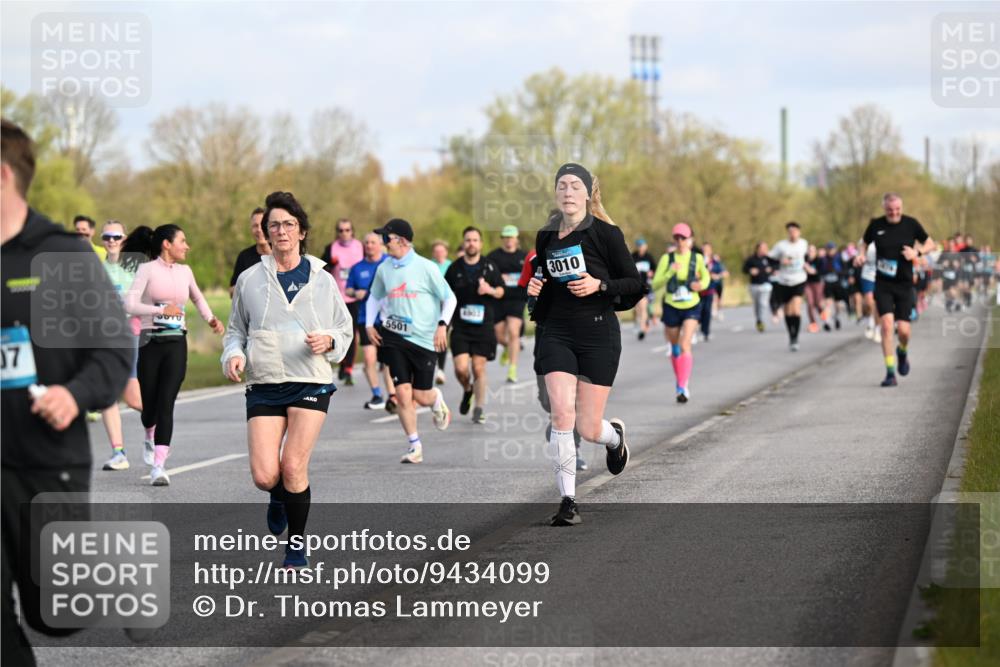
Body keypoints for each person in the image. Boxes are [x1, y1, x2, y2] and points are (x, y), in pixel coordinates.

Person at [2, 118, 132, 666]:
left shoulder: (61, 256)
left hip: (43, 463)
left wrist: (75, 396)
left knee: (56, 614)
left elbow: (114, 352)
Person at [223, 191, 353, 568]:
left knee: (294, 465)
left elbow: (344, 329)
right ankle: (277, 495)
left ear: (301, 232)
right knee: (266, 475)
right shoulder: (250, 279)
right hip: (264, 381)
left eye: (288, 224)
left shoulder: (322, 279)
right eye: (274, 225)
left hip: (310, 380)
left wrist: (329, 340)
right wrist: (233, 354)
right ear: (265, 233)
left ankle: (296, 544)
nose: (281, 231)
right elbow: (235, 331)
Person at [527, 163, 644, 526]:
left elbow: (635, 285)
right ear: (556, 193)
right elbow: (543, 285)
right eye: (561, 185)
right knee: (562, 415)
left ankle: (613, 438)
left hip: (598, 334)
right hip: (557, 332)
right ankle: (568, 501)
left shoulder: (606, 234)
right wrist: (534, 293)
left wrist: (600, 286)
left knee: (589, 427)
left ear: (588, 192)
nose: (567, 191)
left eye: (575, 185)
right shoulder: (546, 237)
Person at [124, 224, 225, 485]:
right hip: (149, 343)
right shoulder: (147, 270)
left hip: (176, 343)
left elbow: (198, 299)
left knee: (167, 403)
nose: (187, 246)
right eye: (182, 240)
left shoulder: (185, 271)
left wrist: (212, 319)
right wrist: (160, 311)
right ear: (166, 244)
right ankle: (149, 430)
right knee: (150, 408)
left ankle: (159, 466)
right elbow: (130, 304)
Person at [366, 218, 456, 464]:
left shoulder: (426, 267)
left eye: (388, 239)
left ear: (402, 241)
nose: (385, 244)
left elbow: (449, 299)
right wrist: (368, 324)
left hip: (424, 339)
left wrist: (442, 326)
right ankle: (414, 446)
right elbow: (374, 297)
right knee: (402, 394)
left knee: (421, 395)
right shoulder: (384, 269)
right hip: (394, 336)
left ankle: (435, 399)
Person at [856, 193, 934, 387]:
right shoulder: (876, 225)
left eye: (897, 209)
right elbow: (863, 243)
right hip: (883, 284)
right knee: (887, 325)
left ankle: (902, 351)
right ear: (884, 208)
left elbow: (930, 243)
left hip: (905, 285)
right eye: (890, 209)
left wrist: (917, 252)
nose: (894, 212)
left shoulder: (911, 224)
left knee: (905, 332)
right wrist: (861, 255)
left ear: (902, 207)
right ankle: (890, 372)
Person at [98, 220, 144, 470]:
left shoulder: (135, 268)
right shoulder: (97, 269)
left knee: (134, 399)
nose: (111, 241)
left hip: (131, 336)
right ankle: (119, 452)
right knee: (107, 394)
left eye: (116, 237)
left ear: (124, 239)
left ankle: (158, 432)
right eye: (107, 237)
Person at [446, 226, 504, 423]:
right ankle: (467, 389)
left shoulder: (490, 267)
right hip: (461, 327)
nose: (471, 243)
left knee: (479, 368)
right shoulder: (454, 269)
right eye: (468, 240)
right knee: (461, 369)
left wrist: (489, 290)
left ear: (481, 243)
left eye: (475, 240)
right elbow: (444, 295)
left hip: (483, 326)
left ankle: (479, 408)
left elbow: (501, 292)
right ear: (464, 243)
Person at [652, 223, 711, 402]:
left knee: (685, 344)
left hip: (692, 305)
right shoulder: (666, 259)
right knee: (675, 347)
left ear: (690, 240)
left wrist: (700, 285)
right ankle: (680, 381)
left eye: (683, 238)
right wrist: (670, 272)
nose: (680, 241)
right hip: (671, 306)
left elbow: (706, 278)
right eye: (676, 238)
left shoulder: (697, 258)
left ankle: (682, 387)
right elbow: (655, 284)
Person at [345, 232, 395, 410]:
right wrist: (354, 293)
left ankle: (393, 395)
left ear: (380, 244)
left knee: (389, 360)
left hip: (387, 318)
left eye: (373, 242)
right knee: (368, 359)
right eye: (366, 243)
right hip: (365, 318)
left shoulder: (389, 262)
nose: (369, 246)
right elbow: (348, 288)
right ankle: (376, 395)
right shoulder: (357, 267)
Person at [322, 218, 363, 385]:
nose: (344, 233)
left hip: (354, 297)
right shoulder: (331, 248)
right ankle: (342, 361)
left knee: (352, 332)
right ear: (337, 232)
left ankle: (348, 369)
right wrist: (331, 264)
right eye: (341, 230)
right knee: (336, 331)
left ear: (352, 231)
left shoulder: (360, 247)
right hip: (336, 297)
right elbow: (321, 270)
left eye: (347, 230)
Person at [486, 225, 527, 383]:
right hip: (498, 299)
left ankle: (512, 369)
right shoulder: (494, 257)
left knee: (514, 331)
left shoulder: (524, 257)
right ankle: (506, 347)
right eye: (506, 237)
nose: (509, 240)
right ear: (502, 239)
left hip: (517, 299)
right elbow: (487, 275)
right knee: (499, 336)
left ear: (516, 239)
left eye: (512, 237)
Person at [769, 222, 813, 351]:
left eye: (795, 231)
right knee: (788, 311)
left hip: (799, 279)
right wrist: (780, 262)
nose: (793, 233)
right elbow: (770, 259)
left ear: (799, 232)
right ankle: (791, 336)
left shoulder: (804, 243)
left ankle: (796, 338)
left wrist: (808, 263)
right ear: (788, 232)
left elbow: (808, 257)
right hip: (784, 281)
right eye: (790, 231)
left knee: (796, 308)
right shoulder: (781, 245)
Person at [229, 207, 271, 297]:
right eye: (255, 226)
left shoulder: (281, 255)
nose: (259, 230)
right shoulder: (244, 256)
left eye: (262, 225)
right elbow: (231, 292)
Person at [430, 240, 452, 385]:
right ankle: (430, 365)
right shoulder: (428, 266)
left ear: (446, 252)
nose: (439, 254)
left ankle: (441, 370)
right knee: (430, 338)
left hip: (446, 307)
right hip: (430, 307)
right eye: (436, 251)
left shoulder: (451, 266)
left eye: (441, 251)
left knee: (442, 336)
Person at [696, 241, 727, 342]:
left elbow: (724, 273)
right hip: (698, 290)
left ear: (710, 250)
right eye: (704, 249)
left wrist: (717, 276)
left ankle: (706, 332)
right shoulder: (697, 260)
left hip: (709, 289)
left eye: (707, 249)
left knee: (707, 311)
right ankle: (697, 326)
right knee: (699, 311)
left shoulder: (714, 262)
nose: (706, 251)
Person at [743, 242, 774, 332]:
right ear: (758, 249)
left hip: (766, 285)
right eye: (762, 248)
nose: (764, 249)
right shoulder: (751, 259)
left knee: (763, 303)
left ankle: (761, 320)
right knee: (757, 305)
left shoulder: (769, 258)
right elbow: (744, 269)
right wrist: (750, 270)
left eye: (766, 248)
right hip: (754, 285)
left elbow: (776, 265)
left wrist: (771, 269)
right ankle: (758, 319)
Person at [631, 238, 658, 340]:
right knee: (638, 308)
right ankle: (643, 323)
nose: (641, 248)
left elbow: (655, 270)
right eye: (639, 246)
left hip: (646, 285)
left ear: (645, 246)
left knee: (643, 306)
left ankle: (642, 329)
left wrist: (652, 273)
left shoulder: (649, 257)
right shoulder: (633, 256)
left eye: (642, 246)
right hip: (635, 286)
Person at [803, 244, 824, 333]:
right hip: (807, 283)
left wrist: (806, 267)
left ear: (815, 252)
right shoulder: (804, 259)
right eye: (809, 250)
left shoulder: (819, 260)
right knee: (810, 303)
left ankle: (824, 316)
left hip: (817, 283)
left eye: (812, 251)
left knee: (818, 304)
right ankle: (813, 324)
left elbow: (813, 272)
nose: (810, 252)